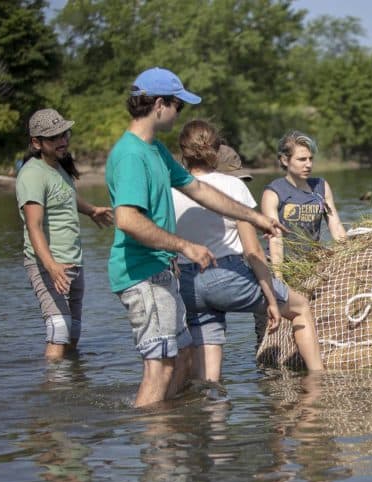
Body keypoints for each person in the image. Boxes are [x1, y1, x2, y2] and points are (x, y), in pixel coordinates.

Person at [106, 67, 285, 407]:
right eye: (178, 105)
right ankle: (155, 447)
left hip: (161, 272)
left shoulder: (154, 150)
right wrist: (184, 245)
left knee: (186, 358)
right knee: (159, 369)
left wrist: (254, 216)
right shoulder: (131, 155)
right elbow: (127, 220)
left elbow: (199, 189)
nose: (179, 114)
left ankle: (172, 427)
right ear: (160, 104)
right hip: (142, 275)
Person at [172, 120, 324, 383]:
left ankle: (210, 415)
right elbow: (253, 251)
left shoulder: (170, 190)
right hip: (227, 275)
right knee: (300, 307)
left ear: (182, 151)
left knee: (209, 377)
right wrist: (272, 299)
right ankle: (318, 382)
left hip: (188, 283)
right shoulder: (233, 186)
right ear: (217, 150)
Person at [16, 108, 114, 361]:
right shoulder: (32, 174)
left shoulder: (58, 168)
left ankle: (72, 386)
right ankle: (54, 394)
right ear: (36, 143)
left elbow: (65, 197)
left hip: (73, 261)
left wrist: (91, 210)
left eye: (64, 134)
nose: (63, 141)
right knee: (59, 329)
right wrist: (51, 266)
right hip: (49, 264)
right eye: (54, 137)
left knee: (73, 332)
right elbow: (33, 225)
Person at [260, 130, 347, 276]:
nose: (308, 164)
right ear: (284, 160)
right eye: (302, 159)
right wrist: (279, 278)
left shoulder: (321, 186)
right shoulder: (273, 193)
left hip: (313, 264)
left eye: (310, 159)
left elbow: (336, 227)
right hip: (283, 264)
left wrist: (348, 255)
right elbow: (276, 239)